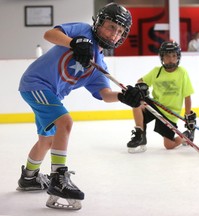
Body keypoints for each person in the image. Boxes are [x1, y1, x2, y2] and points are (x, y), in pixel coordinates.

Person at [17, 3, 144, 210]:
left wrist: (123, 97)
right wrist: (74, 42)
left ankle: (29, 177)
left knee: (47, 140)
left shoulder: (99, 65)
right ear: (99, 22)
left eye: (119, 31)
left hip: (51, 94)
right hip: (35, 83)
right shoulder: (83, 31)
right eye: (111, 27)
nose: (114, 35)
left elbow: (105, 94)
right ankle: (59, 178)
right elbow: (50, 34)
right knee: (65, 122)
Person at [126, 41, 196, 153]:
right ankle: (140, 135)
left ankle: (185, 136)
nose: (171, 58)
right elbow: (140, 81)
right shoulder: (156, 71)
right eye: (167, 55)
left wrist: (188, 115)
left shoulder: (182, 73)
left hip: (170, 113)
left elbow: (187, 96)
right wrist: (142, 88)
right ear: (162, 57)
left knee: (169, 145)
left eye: (174, 55)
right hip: (156, 105)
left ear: (178, 57)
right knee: (136, 102)